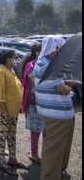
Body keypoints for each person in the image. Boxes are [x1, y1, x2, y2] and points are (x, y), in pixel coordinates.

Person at [33, 35, 74, 180]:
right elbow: (64, 89)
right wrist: (71, 84)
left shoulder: (48, 63)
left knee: (60, 148)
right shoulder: (48, 66)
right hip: (57, 115)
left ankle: (57, 173)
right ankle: (50, 176)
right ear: (53, 49)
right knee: (54, 149)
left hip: (61, 113)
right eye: (60, 48)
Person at [0, 49, 28, 176]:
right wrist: (5, 113)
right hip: (3, 111)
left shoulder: (11, 70)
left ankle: (12, 158)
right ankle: (2, 161)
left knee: (12, 134)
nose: (17, 59)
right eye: (15, 57)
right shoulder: (0, 72)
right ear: (8, 59)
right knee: (2, 136)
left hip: (12, 111)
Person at [20, 43, 45, 165]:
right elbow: (35, 84)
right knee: (36, 129)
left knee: (46, 128)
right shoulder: (32, 66)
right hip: (35, 101)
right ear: (38, 53)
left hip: (44, 101)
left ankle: (47, 153)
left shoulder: (43, 64)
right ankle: (34, 153)